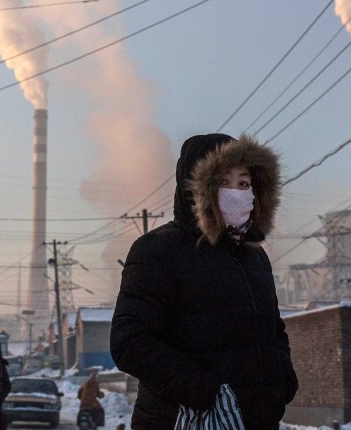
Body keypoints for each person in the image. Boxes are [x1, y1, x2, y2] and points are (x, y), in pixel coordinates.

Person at [110, 133, 298, 429]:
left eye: (244, 184)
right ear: (197, 189)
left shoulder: (254, 257)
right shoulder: (159, 250)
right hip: (182, 421)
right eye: (223, 182)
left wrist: (282, 381)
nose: (236, 193)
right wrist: (205, 392)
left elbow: (274, 331)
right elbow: (130, 343)